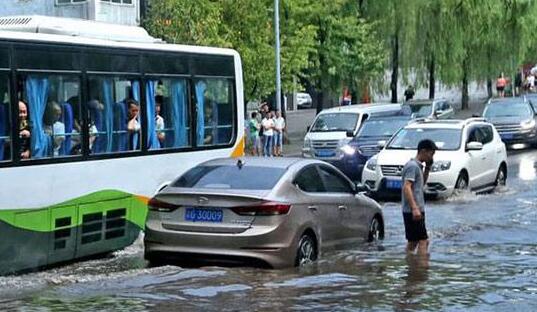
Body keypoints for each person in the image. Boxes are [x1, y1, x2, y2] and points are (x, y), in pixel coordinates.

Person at [401, 139, 436, 256]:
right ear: (423, 151)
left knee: (413, 242)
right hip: (413, 210)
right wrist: (414, 208)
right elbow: (407, 187)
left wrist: (427, 168)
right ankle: (421, 269)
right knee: (423, 241)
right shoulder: (413, 166)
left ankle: (410, 264)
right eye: (431, 153)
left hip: (414, 209)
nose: (431, 157)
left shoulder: (418, 167)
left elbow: (421, 184)